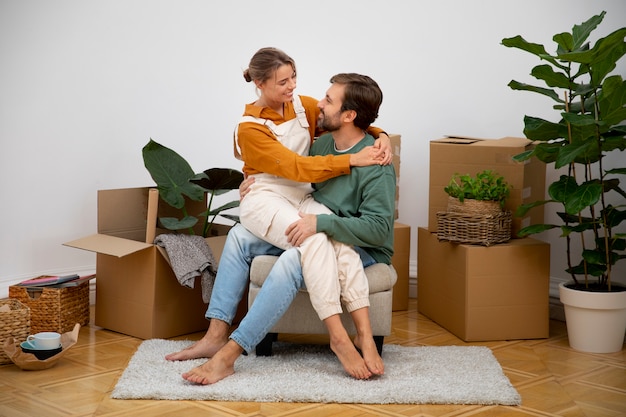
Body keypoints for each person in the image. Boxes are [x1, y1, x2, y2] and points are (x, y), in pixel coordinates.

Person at [166, 72, 396, 385]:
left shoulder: (376, 164)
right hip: (314, 223)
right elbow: (295, 173)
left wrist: (320, 224)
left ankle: (231, 354)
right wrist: (256, 184)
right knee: (239, 237)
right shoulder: (324, 142)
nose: (320, 104)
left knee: (292, 259)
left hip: (360, 245)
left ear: (348, 115)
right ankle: (216, 334)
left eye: (328, 100)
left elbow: (378, 230)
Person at [234, 47, 387, 378]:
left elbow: (354, 116)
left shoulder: (301, 105)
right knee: (314, 239)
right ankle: (339, 338)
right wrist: (350, 160)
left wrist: (380, 134)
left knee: (336, 242)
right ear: (259, 83)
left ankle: (364, 334)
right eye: (282, 82)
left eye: (293, 78)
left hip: (299, 195)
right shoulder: (249, 127)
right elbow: (295, 166)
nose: (294, 88)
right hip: (270, 193)